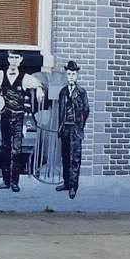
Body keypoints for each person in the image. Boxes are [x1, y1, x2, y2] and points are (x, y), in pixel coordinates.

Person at [0, 49, 43, 191]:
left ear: (20, 60)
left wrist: (39, 89)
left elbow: (38, 83)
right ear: (8, 59)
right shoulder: (0, 74)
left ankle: (14, 182)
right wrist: (0, 99)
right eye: (11, 57)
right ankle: (5, 181)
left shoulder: (25, 77)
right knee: (5, 147)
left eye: (16, 58)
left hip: (18, 117)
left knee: (16, 149)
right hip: (5, 115)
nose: (13, 60)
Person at [55, 59, 91, 199]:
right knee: (65, 156)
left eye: (73, 74)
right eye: (69, 74)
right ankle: (66, 183)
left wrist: (79, 125)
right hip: (65, 128)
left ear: (77, 76)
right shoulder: (63, 92)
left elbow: (86, 111)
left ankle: (73, 187)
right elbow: (60, 111)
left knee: (75, 158)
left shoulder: (81, 92)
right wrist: (61, 126)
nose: (71, 76)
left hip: (75, 129)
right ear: (66, 75)